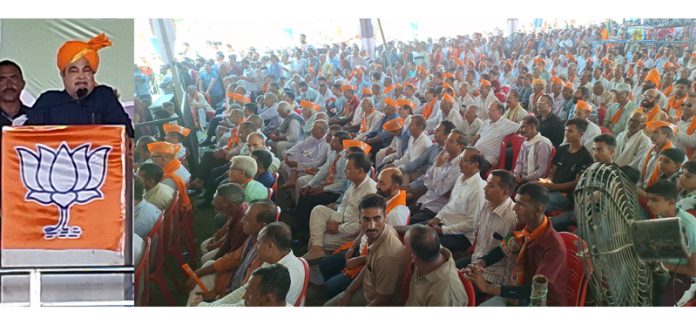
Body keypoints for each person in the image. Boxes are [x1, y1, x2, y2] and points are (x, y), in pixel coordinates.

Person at [464, 183, 568, 306]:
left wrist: (487, 287)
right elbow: (503, 249)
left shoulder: (554, 247)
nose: (514, 208)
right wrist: (481, 263)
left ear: (538, 210)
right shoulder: (523, 228)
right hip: (518, 289)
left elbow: (534, 290)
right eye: (515, 202)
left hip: (540, 301)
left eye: (521, 205)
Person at [25, 33, 134, 137]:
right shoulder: (49, 101)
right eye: (74, 71)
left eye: (86, 70)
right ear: (63, 75)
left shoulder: (103, 97)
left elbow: (126, 133)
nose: (81, 76)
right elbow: (24, 137)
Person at [186, 201, 277, 305]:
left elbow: (243, 294)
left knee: (195, 300)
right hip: (230, 283)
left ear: (261, 226)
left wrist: (216, 297)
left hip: (234, 296)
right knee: (208, 265)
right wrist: (199, 272)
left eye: (247, 219)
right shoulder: (254, 236)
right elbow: (233, 258)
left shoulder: (265, 256)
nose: (242, 221)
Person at [324, 194, 408, 306]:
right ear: (359, 218)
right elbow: (369, 267)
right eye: (366, 219)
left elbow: (383, 300)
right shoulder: (380, 232)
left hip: (373, 300)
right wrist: (348, 292)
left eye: (376, 219)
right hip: (368, 288)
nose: (371, 226)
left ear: (385, 216)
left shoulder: (388, 256)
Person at [195, 222, 305, 307]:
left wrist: (203, 306)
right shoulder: (276, 261)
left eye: (258, 242)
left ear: (270, 246)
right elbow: (244, 291)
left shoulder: (282, 275)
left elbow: (243, 304)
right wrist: (211, 305)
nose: (256, 247)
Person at [303, 152, 377, 261]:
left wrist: (339, 228)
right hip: (343, 221)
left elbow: (361, 226)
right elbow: (343, 204)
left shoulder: (370, 191)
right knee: (318, 210)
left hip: (352, 233)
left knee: (314, 240)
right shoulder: (354, 182)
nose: (344, 171)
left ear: (360, 171)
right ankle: (317, 250)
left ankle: (316, 267)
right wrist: (336, 220)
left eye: (348, 169)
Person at [644, 181, 696, 306]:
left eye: (654, 200)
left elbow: (693, 271)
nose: (648, 204)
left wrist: (658, 264)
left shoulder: (690, 226)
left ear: (671, 202)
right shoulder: (661, 216)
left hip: (681, 276)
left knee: (658, 305)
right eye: (648, 199)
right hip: (661, 267)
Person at [425, 147, 487, 252]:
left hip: (461, 236)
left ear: (475, 165)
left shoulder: (479, 189)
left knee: (424, 243)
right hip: (444, 224)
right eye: (461, 159)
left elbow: (471, 224)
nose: (460, 163)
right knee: (414, 232)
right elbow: (450, 205)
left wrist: (443, 230)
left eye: (464, 160)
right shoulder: (460, 178)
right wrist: (437, 218)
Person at [408, 130, 466, 224]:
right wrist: (435, 184)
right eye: (447, 139)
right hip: (425, 199)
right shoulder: (444, 155)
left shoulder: (460, 166)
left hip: (436, 208)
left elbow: (439, 190)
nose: (445, 142)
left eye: (450, 141)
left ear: (460, 146)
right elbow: (427, 178)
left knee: (410, 223)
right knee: (402, 212)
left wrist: (438, 167)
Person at [404, 225, 468, 306]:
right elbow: (420, 235)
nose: (403, 248)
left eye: (405, 247)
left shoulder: (445, 296)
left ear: (412, 256)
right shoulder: (431, 250)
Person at [539, 119, 594, 214]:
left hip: (565, 195)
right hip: (552, 188)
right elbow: (553, 172)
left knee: (537, 204)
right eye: (566, 130)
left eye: (570, 131)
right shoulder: (561, 150)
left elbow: (576, 183)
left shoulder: (586, 158)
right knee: (529, 191)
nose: (566, 133)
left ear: (580, 134)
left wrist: (552, 187)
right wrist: (548, 180)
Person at [473, 102, 520, 167]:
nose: (489, 112)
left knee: (471, 169)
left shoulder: (506, 124)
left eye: (492, 110)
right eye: (489, 109)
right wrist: (471, 147)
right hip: (475, 153)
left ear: (499, 112)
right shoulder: (486, 122)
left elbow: (521, 126)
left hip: (488, 157)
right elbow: (477, 136)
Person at [513, 116, 553, 185]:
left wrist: (526, 178)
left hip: (534, 180)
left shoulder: (543, 144)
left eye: (523, 127)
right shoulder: (526, 142)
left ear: (532, 127)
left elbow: (541, 170)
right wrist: (516, 174)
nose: (520, 130)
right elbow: (519, 162)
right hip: (522, 176)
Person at [639, 121, 677, 190]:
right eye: (651, 132)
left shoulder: (672, 155)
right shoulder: (650, 149)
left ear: (667, 135)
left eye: (656, 132)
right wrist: (638, 186)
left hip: (655, 193)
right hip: (641, 189)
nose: (651, 136)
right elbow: (640, 168)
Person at [0, 60, 31, 129]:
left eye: (14, 78)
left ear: (23, 84)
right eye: (2, 80)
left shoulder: (35, 118)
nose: (9, 85)